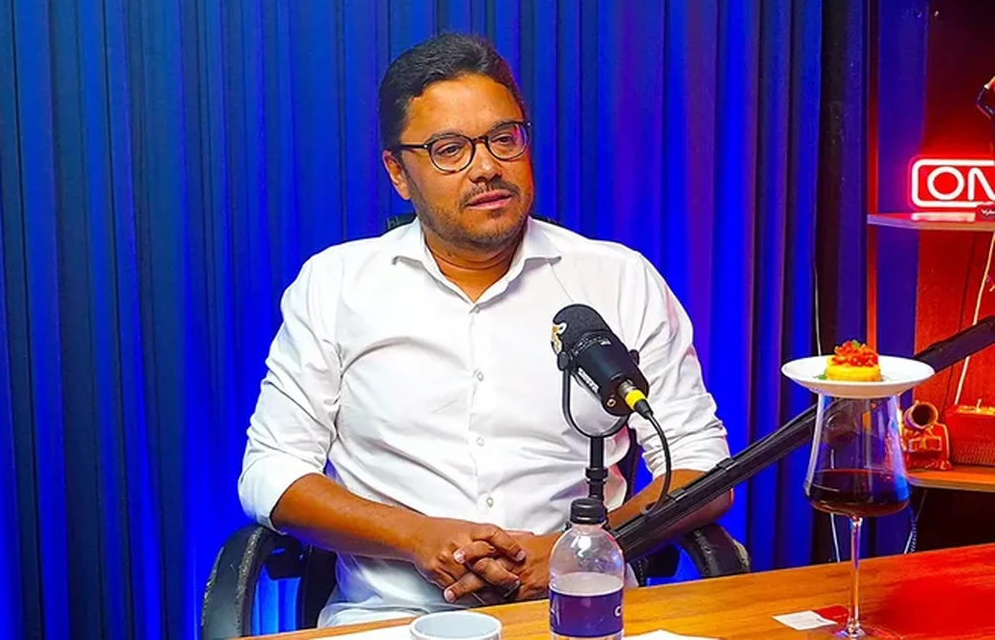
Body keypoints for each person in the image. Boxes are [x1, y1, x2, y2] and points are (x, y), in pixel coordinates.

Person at [238, 32, 732, 628]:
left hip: (584, 612)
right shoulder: (335, 285)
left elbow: (702, 467)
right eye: (449, 149)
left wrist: (579, 549)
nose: (487, 167)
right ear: (398, 173)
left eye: (505, 138)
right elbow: (272, 471)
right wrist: (416, 536)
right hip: (394, 619)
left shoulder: (619, 279)